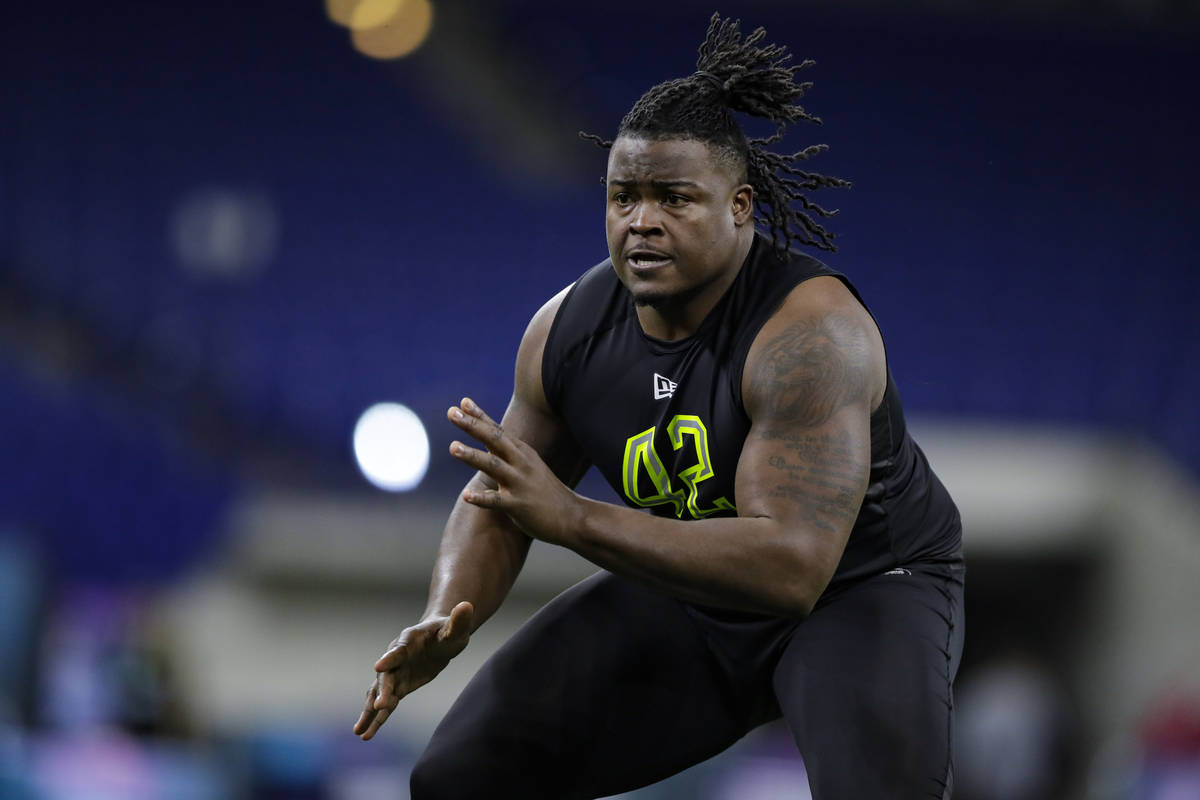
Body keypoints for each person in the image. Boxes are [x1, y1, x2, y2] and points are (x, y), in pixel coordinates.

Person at [354, 13, 965, 799]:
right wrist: (447, 617)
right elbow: (502, 498)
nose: (641, 221)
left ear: (741, 207)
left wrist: (573, 520)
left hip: (860, 588)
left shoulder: (813, 335)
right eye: (623, 197)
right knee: (459, 777)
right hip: (696, 594)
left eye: (673, 197)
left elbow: (792, 567)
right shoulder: (566, 330)